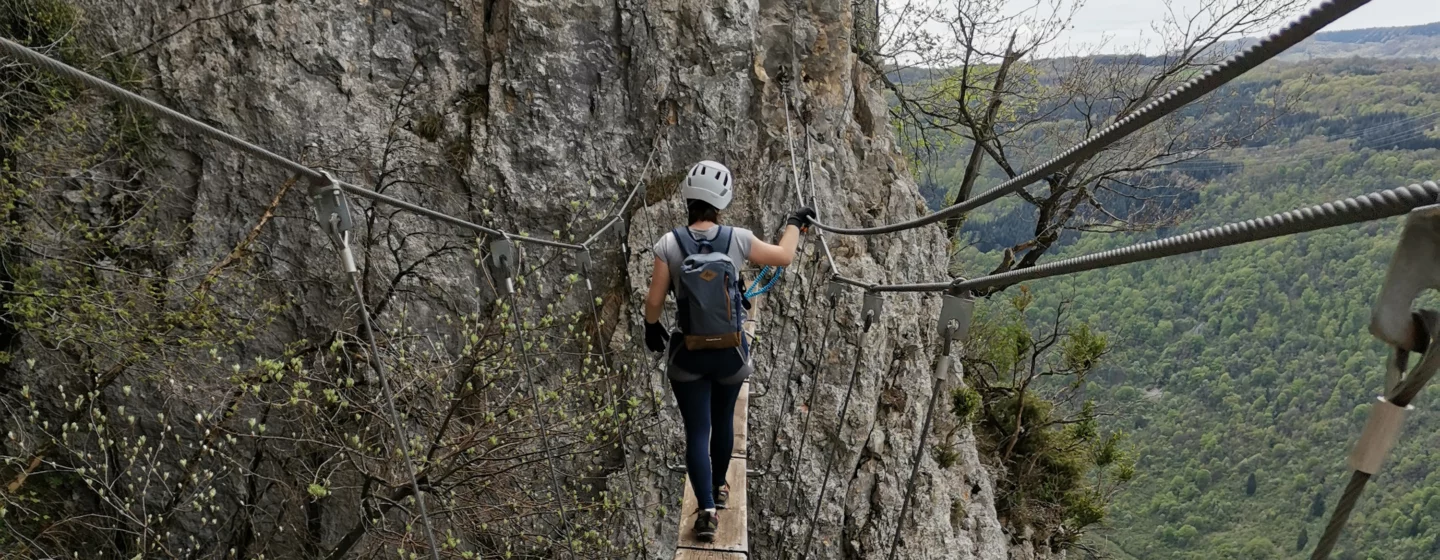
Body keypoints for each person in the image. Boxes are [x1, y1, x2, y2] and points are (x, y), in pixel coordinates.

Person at [643, 160, 814, 541]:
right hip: (731, 354)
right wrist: (794, 222)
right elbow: (783, 258)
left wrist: (650, 326)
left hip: (688, 354)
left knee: (696, 431)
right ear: (723, 200)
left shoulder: (668, 244)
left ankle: (705, 510)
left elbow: (653, 301)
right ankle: (720, 486)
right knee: (722, 423)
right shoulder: (737, 238)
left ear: (687, 196)